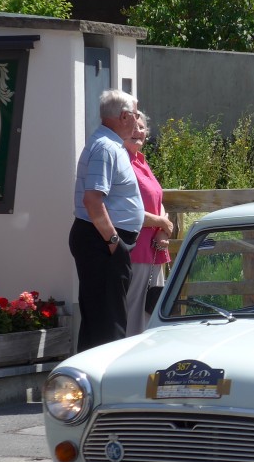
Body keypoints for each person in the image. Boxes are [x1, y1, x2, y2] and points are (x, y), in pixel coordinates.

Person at [70, 89, 145, 351]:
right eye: (136, 115)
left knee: (102, 319)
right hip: (102, 242)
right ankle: (105, 383)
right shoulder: (106, 148)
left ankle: (92, 383)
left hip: (102, 241)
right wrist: (114, 242)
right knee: (108, 323)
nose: (138, 122)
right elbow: (92, 201)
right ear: (124, 116)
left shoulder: (112, 145)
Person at [122, 109, 175, 335]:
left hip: (154, 250)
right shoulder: (122, 163)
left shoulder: (141, 162)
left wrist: (163, 229)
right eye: (133, 127)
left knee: (151, 312)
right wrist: (162, 224)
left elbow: (157, 200)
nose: (138, 131)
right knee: (134, 315)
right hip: (137, 250)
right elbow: (126, 211)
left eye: (142, 127)